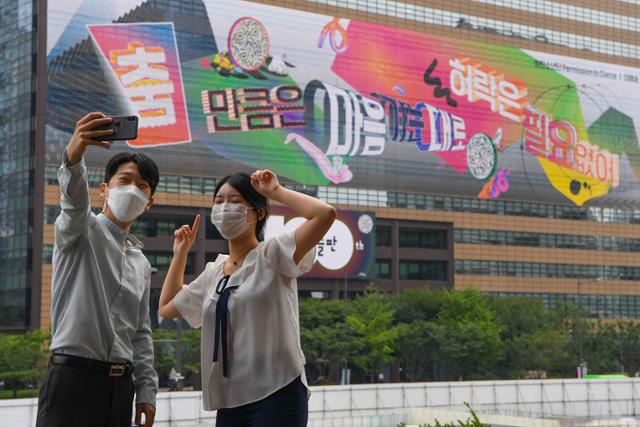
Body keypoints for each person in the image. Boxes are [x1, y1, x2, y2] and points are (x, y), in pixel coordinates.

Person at [158, 169, 336, 426]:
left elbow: (325, 214)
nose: (224, 207)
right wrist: (180, 253)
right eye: (219, 201)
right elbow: (166, 307)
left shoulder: (274, 254)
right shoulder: (214, 273)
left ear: (259, 212)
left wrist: (275, 192)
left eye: (235, 201)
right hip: (230, 399)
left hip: (278, 391)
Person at [36, 112, 158, 427]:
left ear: (149, 203)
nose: (133, 189)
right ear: (104, 189)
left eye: (142, 186)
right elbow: (73, 202)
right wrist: (74, 156)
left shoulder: (141, 263)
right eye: (125, 180)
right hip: (71, 381)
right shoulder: (80, 230)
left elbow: (141, 333)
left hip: (120, 389)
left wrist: (146, 389)